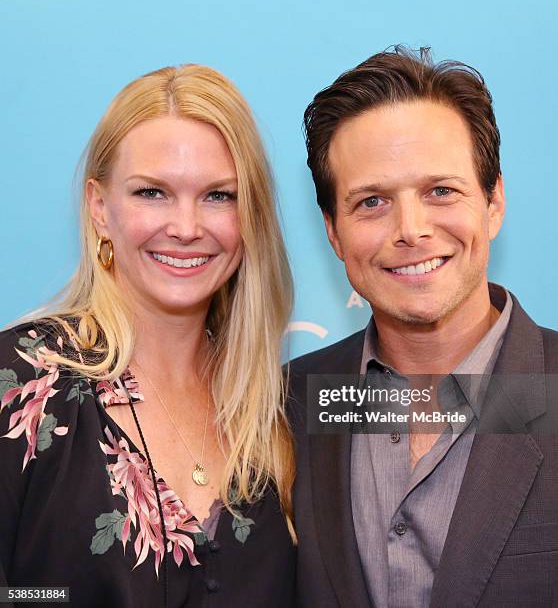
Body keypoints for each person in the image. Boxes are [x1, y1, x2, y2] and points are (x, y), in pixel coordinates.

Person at [0, 64, 296, 608]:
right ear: (99, 208)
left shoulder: (277, 409)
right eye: (153, 193)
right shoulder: (21, 387)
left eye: (219, 196)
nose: (186, 226)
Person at [288, 46, 558, 607]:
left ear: (494, 202)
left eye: (441, 191)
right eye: (372, 202)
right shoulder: (288, 403)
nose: (410, 229)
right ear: (333, 233)